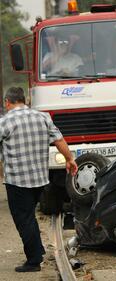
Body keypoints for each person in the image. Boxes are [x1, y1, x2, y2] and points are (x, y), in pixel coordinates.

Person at [0, 87, 78, 272]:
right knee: (29, 216)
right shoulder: (43, 117)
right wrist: (69, 159)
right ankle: (37, 251)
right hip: (40, 180)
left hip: (17, 181)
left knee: (24, 218)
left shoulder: (5, 122)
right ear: (25, 100)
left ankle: (34, 260)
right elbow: (59, 140)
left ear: (7, 102)